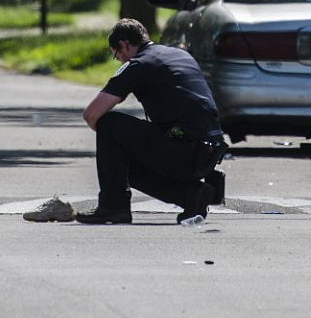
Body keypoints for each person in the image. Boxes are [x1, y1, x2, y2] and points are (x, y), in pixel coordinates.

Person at [24, 18, 228, 225]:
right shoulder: (178, 54)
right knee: (120, 163)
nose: (119, 60)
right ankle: (191, 196)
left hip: (185, 150)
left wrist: (111, 146)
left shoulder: (138, 64)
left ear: (123, 45)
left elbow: (92, 114)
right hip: (209, 150)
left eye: (116, 55)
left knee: (108, 124)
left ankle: (113, 206)